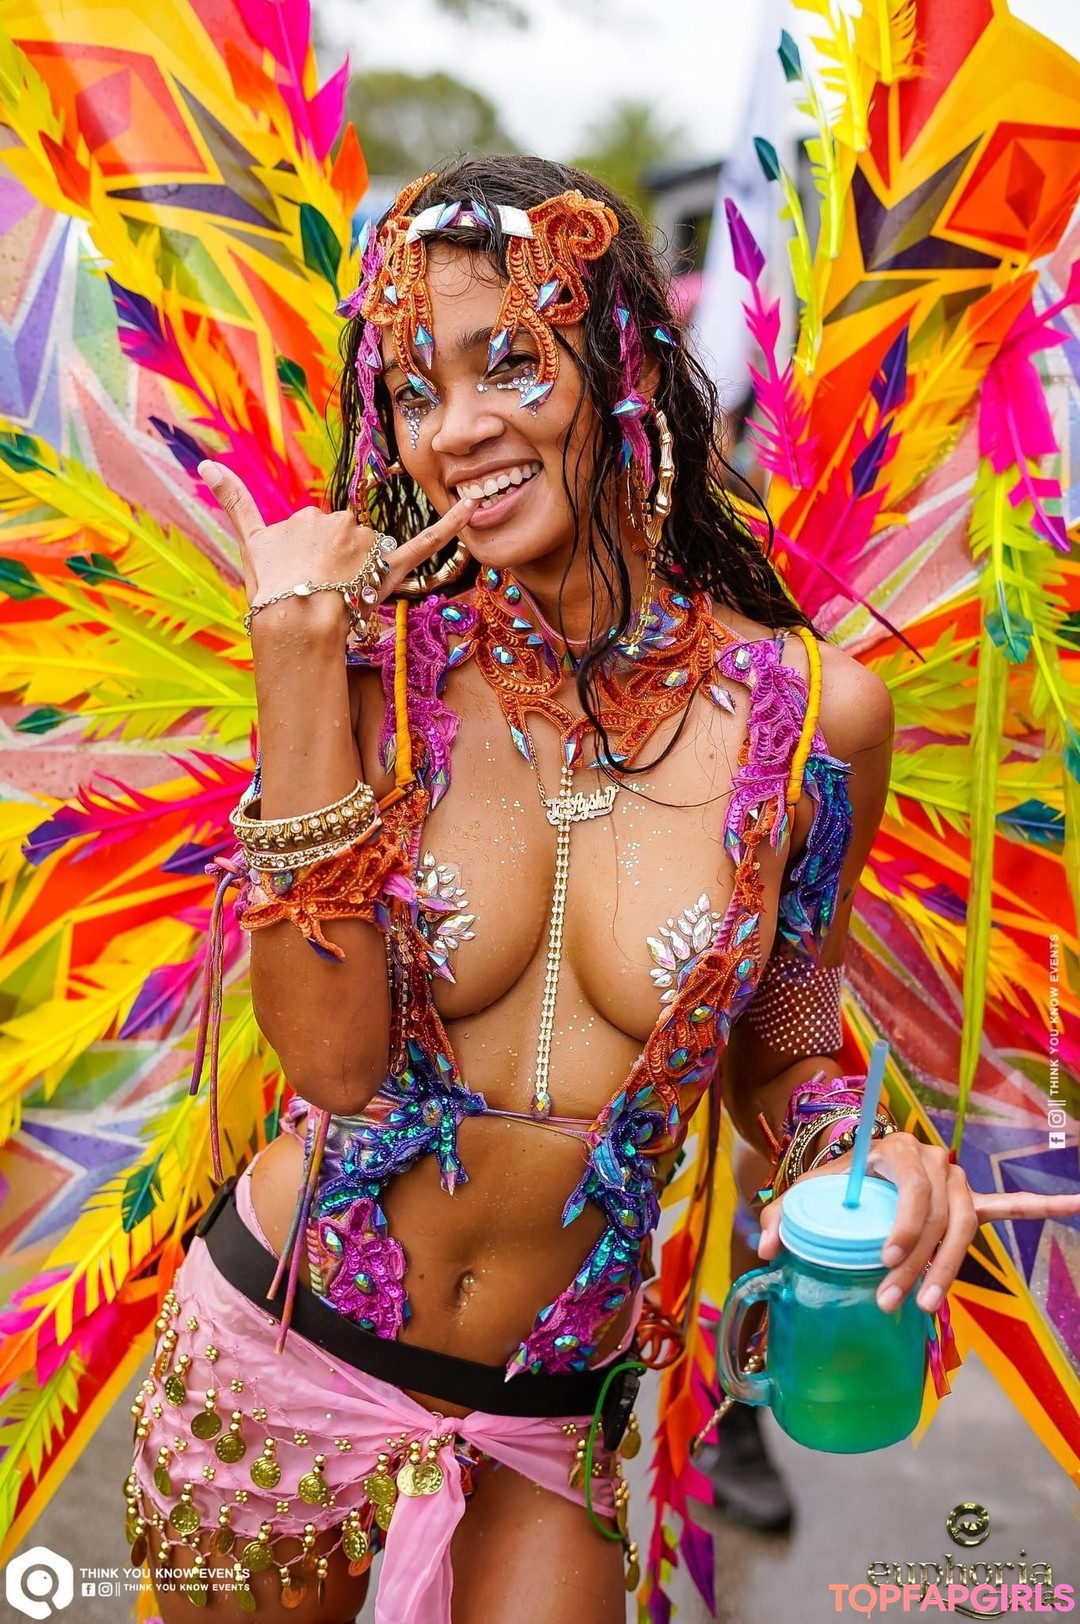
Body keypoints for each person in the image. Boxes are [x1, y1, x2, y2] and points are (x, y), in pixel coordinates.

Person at [123, 155, 1079, 1624]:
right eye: (415, 390)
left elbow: (786, 1034)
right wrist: (295, 664)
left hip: (549, 1409)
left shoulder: (815, 718)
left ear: (625, 365)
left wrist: (854, 1154)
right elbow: (332, 1063)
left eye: (510, 362)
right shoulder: (367, 678)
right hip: (276, 1369)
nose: (457, 429)